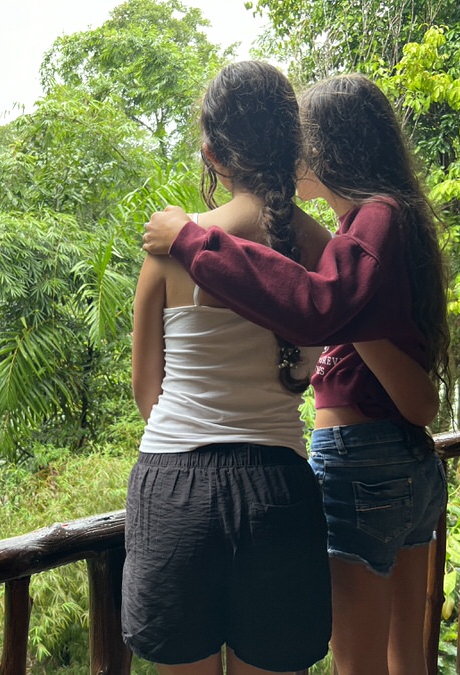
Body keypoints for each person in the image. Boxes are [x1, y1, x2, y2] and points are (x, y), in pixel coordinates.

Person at [142, 73, 450, 675]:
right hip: (387, 467)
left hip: (351, 464)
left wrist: (192, 241)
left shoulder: (373, 223)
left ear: (327, 147)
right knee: (408, 658)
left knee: (359, 665)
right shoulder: (354, 233)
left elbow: (316, 309)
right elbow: (416, 397)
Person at [123, 60, 333, 675]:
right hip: (278, 492)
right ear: (292, 146)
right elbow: (306, 371)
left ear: (212, 154)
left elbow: (147, 394)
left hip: (173, 489)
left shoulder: (169, 247)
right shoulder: (323, 250)